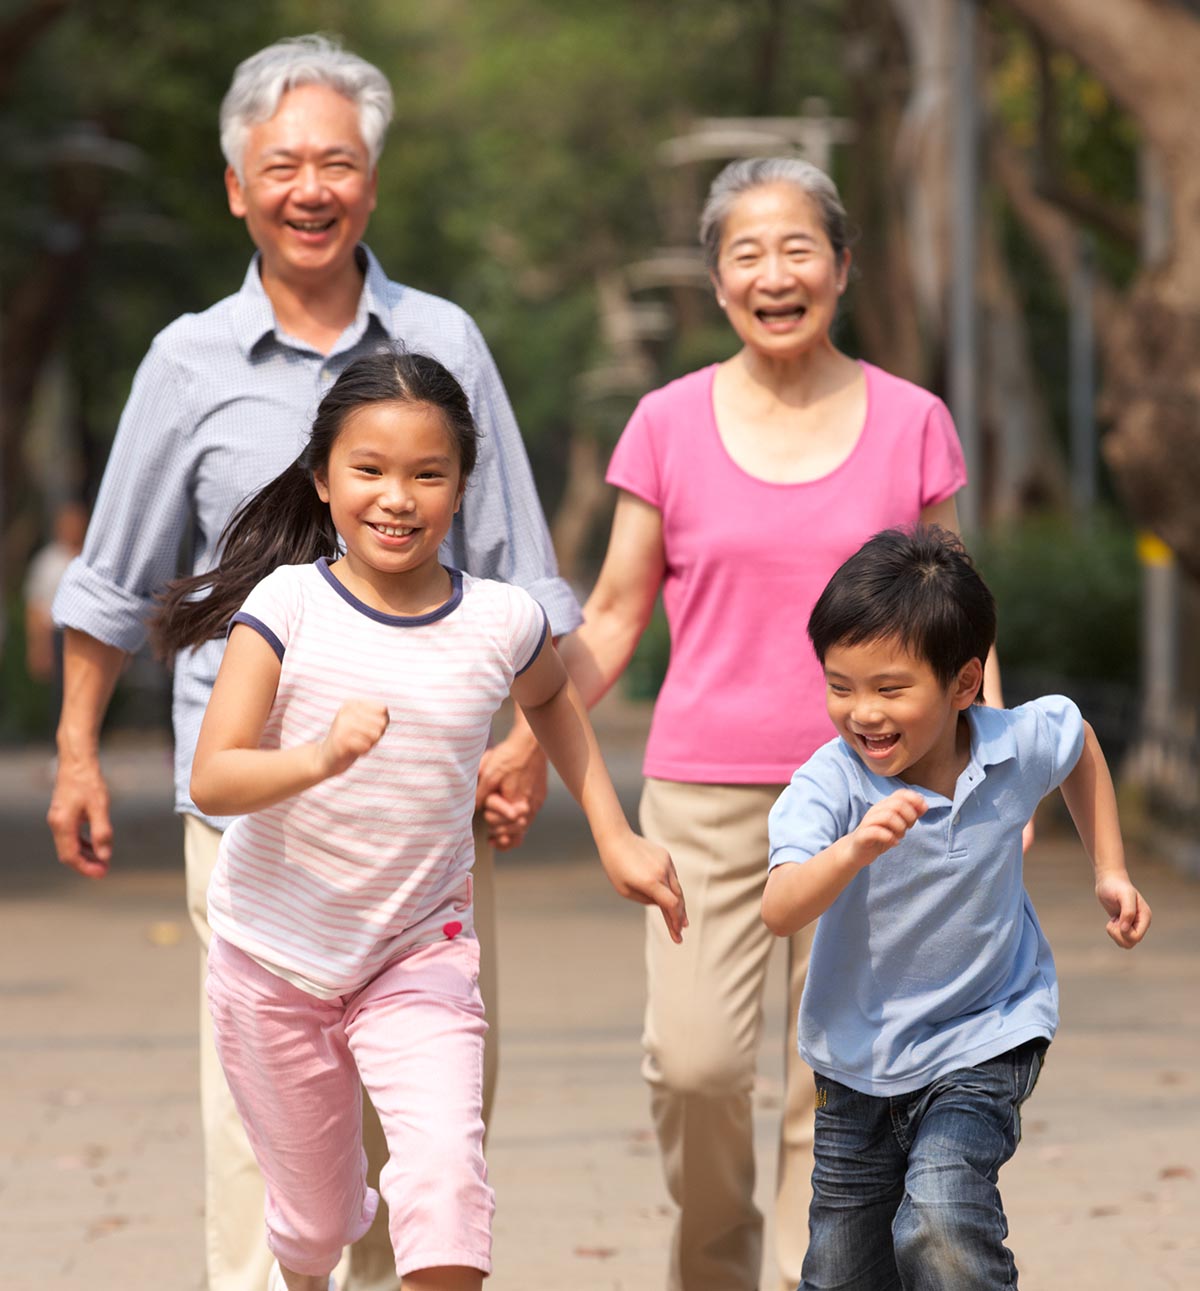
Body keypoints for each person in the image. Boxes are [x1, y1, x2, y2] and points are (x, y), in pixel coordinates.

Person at [47, 36, 579, 1291]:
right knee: (265, 1132)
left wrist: (520, 741)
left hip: (424, 817)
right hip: (245, 814)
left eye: (336, 161)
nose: (309, 187)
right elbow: (115, 579)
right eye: (280, 163)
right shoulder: (187, 361)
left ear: (373, 183)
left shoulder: (443, 339)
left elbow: (525, 575)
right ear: (237, 185)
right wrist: (75, 746)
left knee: (431, 1120)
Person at [547, 155, 1016, 1291]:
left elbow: (959, 612)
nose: (775, 273)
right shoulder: (665, 424)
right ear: (716, 281)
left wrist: (993, 768)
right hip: (705, 800)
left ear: (842, 267)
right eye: (747, 253)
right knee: (697, 1066)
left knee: (842, 1087)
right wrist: (522, 735)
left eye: (799, 247)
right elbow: (612, 611)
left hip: (882, 793)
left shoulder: (912, 422)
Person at [151, 348, 685, 1291]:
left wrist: (616, 832)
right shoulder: (286, 607)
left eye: (427, 474)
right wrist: (317, 755)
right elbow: (216, 774)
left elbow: (555, 702)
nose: (397, 497)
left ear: (462, 488)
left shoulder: (501, 619)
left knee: (443, 1179)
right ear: (322, 480)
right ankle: (304, 1265)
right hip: (274, 960)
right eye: (370, 470)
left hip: (418, 952)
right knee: (315, 1227)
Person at [762, 524, 1151, 1291]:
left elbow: (1077, 744)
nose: (862, 712)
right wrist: (851, 851)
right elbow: (779, 907)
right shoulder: (828, 785)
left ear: (965, 684)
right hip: (857, 1060)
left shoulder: (1015, 743)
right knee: (842, 1273)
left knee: (940, 1217)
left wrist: (1111, 866)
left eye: (890, 688)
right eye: (840, 685)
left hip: (985, 1032)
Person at [24, 500, 88, 690]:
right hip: (56, 634)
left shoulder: (89, 559)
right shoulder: (47, 561)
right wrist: (37, 645)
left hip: (85, 633)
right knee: (60, 691)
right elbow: (35, 604)